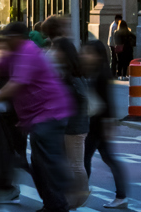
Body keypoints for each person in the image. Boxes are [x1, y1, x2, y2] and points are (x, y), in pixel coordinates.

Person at [0, 22, 73, 212]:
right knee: (37, 162)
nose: (4, 42)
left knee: (44, 160)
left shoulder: (27, 51)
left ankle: (61, 199)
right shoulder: (15, 54)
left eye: (7, 39)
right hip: (37, 116)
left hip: (50, 112)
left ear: (17, 38)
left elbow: (15, 85)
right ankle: (53, 203)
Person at [43, 17, 90, 209]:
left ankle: (78, 198)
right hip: (73, 123)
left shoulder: (69, 78)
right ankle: (71, 198)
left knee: (75, 164)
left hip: (73, 124)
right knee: (70, 163)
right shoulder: (75, 74)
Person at [81, 40, 130, 209]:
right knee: (108, 159)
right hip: (97, 123)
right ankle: (121, 195)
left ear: (98, 55)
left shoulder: (101, 74)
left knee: (85, 158)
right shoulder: (95, 72)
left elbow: (108, 101)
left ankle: (81, 192)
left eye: (88, 53)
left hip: (98, 124)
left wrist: (109, 123)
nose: (85, 56)